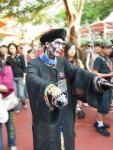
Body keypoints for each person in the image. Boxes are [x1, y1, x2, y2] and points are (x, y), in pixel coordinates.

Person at [26, 28, 113, 150]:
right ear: (47, 44)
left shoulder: (62, 61)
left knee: (67, 140)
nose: (60, 47)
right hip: (47, 114)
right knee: (49, 142)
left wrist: (95, 80)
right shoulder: (34, 64)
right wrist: (50, 89)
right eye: (57, 43)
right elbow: (32, 79)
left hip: (65, 111)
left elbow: (77, 72)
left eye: (62, 44)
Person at [92, 40, 113, 136]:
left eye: (110, 47)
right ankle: (100, 126)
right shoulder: (98, 59)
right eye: (107, 48)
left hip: (108, 85)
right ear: (102, 48)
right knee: (102, 106)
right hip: (102, 86)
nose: (109, 49)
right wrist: (108, 74)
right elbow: (94, 72)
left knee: (106, 105)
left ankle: (98, 122)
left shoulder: (107, 58)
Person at [64, 42, 86, 119]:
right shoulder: (63, 61)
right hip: (66, 88)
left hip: (76, 87)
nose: (72, 51)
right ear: (66, 50)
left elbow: (84, 73)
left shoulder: (78, 61)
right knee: (66, 110)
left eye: (74, 49)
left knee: (74, 107)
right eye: (70, 49)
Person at [0, 56, 17, 150]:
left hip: (8, 102)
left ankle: (12, 143)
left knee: (10, 124)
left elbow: (7, 87)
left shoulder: (7, 68)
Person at [6, 43, 27, 113]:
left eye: (13, 48)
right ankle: (18, 107)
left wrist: (24, 78)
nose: (12, 50)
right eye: (10, 48)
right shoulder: (8, 59)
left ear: (16, 48)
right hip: (12, 79)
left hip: (20, 77)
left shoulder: (21, 56)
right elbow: (6, 69)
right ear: (8, 50)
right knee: (15, 94)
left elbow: (24, 67)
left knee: (21, 94)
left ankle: (24, 102)